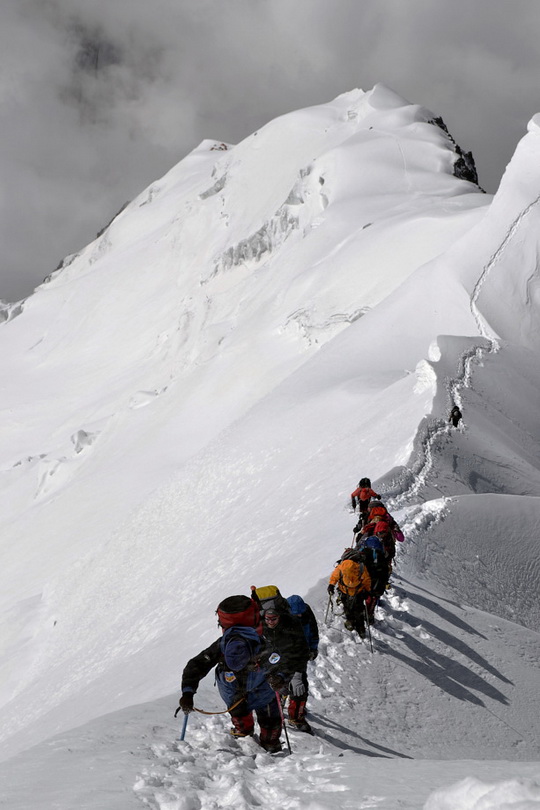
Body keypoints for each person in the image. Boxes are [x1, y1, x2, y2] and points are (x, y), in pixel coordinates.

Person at [177, 595, 282, 753]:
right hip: (261, 691)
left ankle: (246, 736)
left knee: (243, 717)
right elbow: (281, 662)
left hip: (235, 691)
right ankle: (270, 745)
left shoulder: (223, 645)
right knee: (269, 720)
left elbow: (196, 665)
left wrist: (188, 692)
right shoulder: (263, 643)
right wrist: (280, 678)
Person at [257, 596, 311, 733]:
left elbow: (302, 650)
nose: (270, 622)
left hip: (292, 661)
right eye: (268, 619)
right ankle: (279, 705)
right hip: (273, 663)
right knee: (275, 686)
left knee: (300, 689)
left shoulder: (292, 625)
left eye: (273, 619)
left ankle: (295, 717)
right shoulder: (260, 626)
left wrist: (298, 673)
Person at [285, 595, 319, 733]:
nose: (299, 615)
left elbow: (313, 632)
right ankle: (295, 717)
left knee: (300, 686)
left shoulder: (306, 612)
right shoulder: (282, 618)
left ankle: (295, 708)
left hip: (301, 655)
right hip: (286, 656)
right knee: (297, 686)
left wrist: (313, 648)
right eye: (295, 614)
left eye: (300, 613)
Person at [328, 551, 371, 638]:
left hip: (344, 592)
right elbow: (366, 580)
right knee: (358, 610)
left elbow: (334, 576)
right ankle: (361, 629)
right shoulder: (361, 566)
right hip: (358, 593)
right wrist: (367, 591)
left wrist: (331, 585)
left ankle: (350, 622)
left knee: (347, 608)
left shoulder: (341, 566)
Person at [357, 536, 391, 624]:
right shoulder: (380, 555)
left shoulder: (363, 553)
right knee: (373, 596)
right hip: (377, 580)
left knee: (363, 595)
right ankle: (369, 615)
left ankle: (360, 612)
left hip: (364, 578)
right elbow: (385, 572)